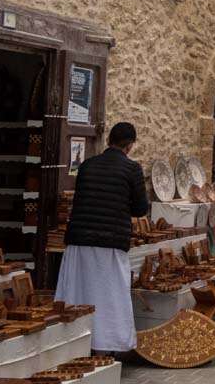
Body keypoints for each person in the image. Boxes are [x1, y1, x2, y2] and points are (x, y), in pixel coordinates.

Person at [57, 122, 149, 353]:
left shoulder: (87, 165)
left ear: (109, 141)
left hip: (80, 238)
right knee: (109, 295)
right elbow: (140, 209)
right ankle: (106, 346)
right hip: (110, 240)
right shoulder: (132, 169)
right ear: (129, 145)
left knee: (79, 290)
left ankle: (73, 341)